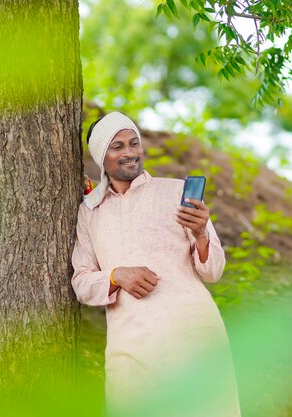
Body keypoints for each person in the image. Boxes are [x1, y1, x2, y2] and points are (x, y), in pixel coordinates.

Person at [71, 112, 241, 417]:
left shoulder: (175, 192)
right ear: (101, 156)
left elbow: (213, 270)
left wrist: (202, 232)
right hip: (131, 346)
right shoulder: (90, 211)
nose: (130, 153)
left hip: (193, 336)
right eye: (118, 146)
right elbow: (81, 281)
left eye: (134, 144)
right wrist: (115, 276)